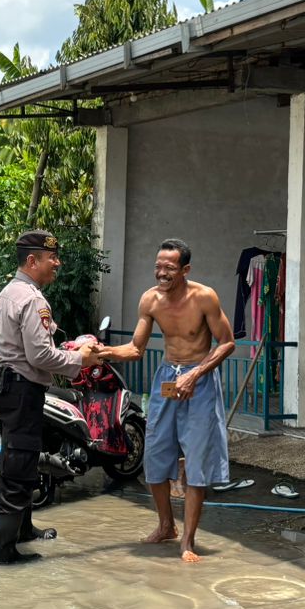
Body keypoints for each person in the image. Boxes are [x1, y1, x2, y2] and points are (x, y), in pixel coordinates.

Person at [101, 238, 235, 563]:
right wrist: (99, 352)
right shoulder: (150, 299)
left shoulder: (204, 297)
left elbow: (227, 342)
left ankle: (187, 540)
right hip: (167, 379)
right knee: (155, 453)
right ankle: (166, 525)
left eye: (169, 267)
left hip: (199, 381)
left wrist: (195, 374)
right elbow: (136, 348)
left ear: (185, 270)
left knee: (197, 460)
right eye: (158, 266)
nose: (161, 272)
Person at [0, 230, 96, 564]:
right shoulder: (33, 299)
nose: (57, 263)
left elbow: (31, 348)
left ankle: (22, 530)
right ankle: (4, 552)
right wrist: (80, 359)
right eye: (52, 258)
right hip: (21, 389)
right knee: (19, 463)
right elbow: (39, 356)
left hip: (7, 387)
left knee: (20, 457)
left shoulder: (9, 291)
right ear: (33, 261)